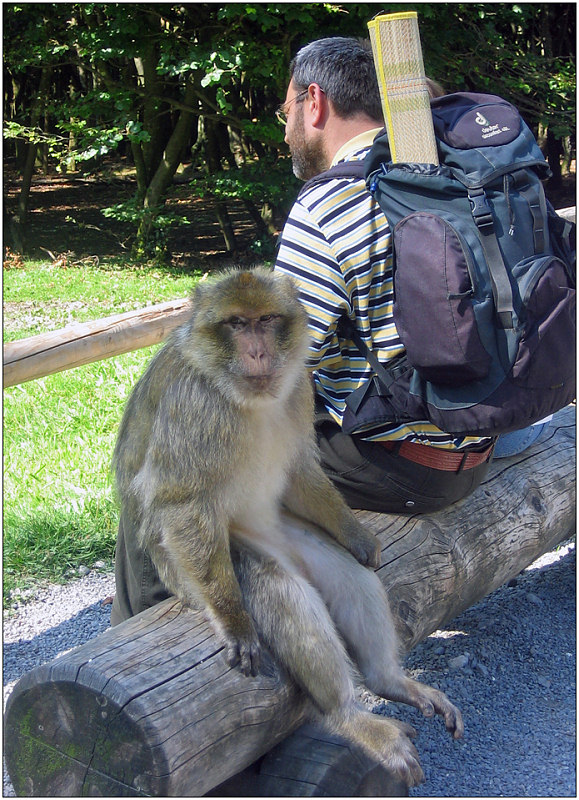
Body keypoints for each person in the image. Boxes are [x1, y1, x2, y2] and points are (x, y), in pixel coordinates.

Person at [274, 37, 495, 515]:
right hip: (481, 442)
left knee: (166, 455)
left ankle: (150, 595)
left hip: (398, 469)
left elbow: (273, 370)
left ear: (314, 102)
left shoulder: (325, 205)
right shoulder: (459, 175)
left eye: (285, 111)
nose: (285, 132)